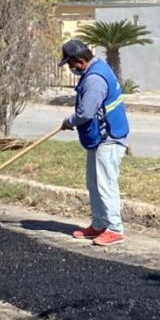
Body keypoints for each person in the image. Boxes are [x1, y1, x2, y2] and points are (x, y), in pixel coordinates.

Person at [58, 39, 129, 246]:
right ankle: (99, 224)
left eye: (70, 64)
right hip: (99, 138)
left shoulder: (95, 79)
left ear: (80, 61)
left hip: (110, 137)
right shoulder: (97, 67)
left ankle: (115, 229)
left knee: (105, 183)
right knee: (94, 183)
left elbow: (86, 112)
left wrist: (68, 122)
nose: (71, 68)